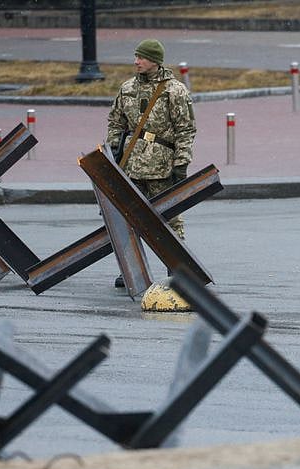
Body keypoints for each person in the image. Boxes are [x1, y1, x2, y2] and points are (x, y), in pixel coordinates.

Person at [106, 38, 196, 287]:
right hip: (131, 166)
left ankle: (177, 270)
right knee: (128, 219)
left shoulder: (173, 90)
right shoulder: (127, 88)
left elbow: (185, 130)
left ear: (155, 61)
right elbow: (116, 122)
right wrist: (114, 152)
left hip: (161, 166)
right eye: (135, 56)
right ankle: (131, 270)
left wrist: (181, 163)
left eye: (142, 57)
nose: (136, 61)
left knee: (170, 219)